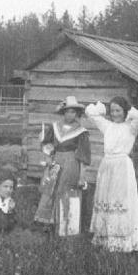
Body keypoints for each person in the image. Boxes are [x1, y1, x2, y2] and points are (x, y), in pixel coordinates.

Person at [85, 96, 138, 252]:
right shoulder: (107, 126)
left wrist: (129, 111)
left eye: (118, 110)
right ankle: (106, 237)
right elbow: (90, 113)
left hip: (122, 167)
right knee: (107, 199)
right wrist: (101, 109)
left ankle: (123, 240)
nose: (114, 114)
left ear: (125, 111)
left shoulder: (131, 127)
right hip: (107, 166)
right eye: (112, 110)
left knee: (120, 200)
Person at [33, 96, 91, 236]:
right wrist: (48, 158)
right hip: (56, 160)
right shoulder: (55, 127)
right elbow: (47, 144)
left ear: (77, 114)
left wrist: (82, 175)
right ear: (63, 112)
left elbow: (83, 155)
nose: (70, 115)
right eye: (67, 111)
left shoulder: (81, 131)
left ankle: (65, 224)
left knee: (65, 189)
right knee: (50, 188)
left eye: (73, 112)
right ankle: (48, 223)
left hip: (71, 162)